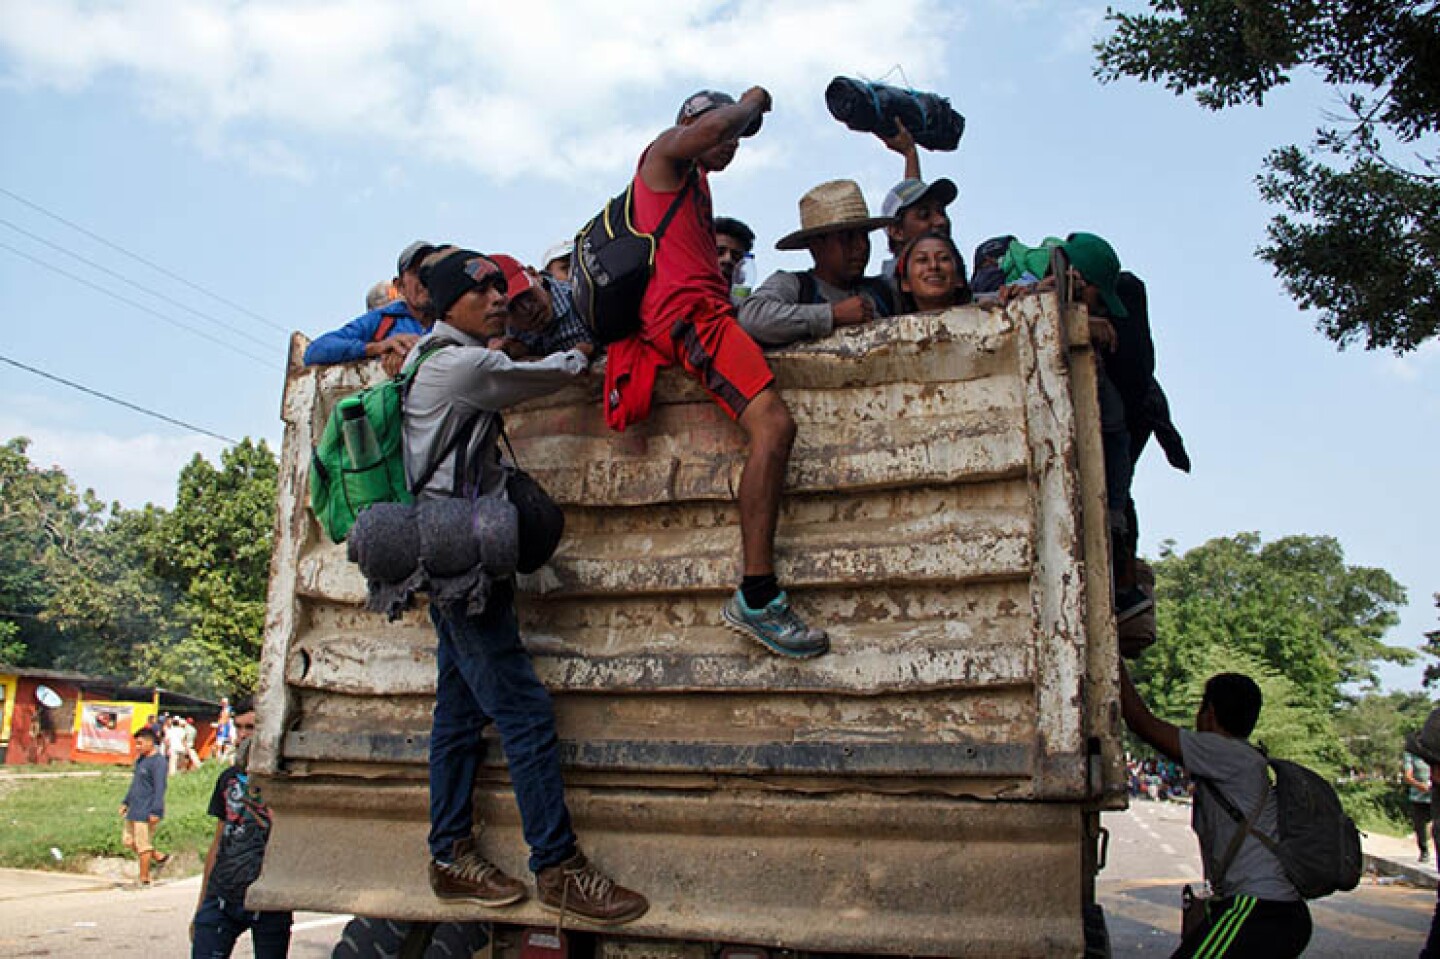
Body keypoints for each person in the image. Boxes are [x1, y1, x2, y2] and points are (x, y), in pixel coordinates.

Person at [402, 247, 647, 925]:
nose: (496, 296)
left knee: (457, 711)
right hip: (460, 557)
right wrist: (582, 354)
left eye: (498, 286)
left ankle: (450, 853)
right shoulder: (465, 365)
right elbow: (553, 373)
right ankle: (558, 864)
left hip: (448, 547)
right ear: (448, 304)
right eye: (479, 290)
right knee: (523, 709)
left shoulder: (429, 356)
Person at [603, 87, 828, 659]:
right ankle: (757, 594)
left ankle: (757, 592)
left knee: (775, 427)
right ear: (688, 124)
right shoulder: (664, 155)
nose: (727, 142)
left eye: (734, 137)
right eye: (718, 131)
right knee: (774, 427)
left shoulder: (694, 185)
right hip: (691, 319)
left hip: (706, 316)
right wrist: (752, 100)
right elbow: (706, 132)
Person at [1119, 661, 1311, 958]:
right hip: (1274, 910)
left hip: (1259, 908)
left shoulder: (1222, 751)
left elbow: (1142, 723)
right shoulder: (1242, 758)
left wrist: (1112, 655)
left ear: (1209, 714)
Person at [738, 179, 897, 348]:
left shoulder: (884, 291)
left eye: (864, 236)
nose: (861, 246)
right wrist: (832, 315)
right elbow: (752, 317)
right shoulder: (794, 285)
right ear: (816, 244)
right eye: (847, 237)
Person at [190, 696, 292, 958]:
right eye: (240, 727)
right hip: (224, 895)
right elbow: (219, 840)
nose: (244, 735)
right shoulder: (228, 779)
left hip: (269, 897)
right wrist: (202, 905)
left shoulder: (287, 780)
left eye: (252, 728)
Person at [303, 241, 437, 376]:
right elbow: (315, 351)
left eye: (429, 270)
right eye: (415, 272)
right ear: (400, 285)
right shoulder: (383, 319)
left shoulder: (453, 316)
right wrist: (378, 348)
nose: (424, 278)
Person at [875, 119, 958, 280]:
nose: (941, 221)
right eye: (925, 215)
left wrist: (910, 152)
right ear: (897, 232)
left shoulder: (952, 283)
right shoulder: (885, 294)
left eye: (941, 212)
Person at [488, 254, 594, 358]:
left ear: (534, 274)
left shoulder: (585, 301)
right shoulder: (504, 335)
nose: (527, 309)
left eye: (526, 295)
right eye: (512, 307)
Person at [120, 727, 170, 887]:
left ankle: (144, 878)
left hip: (146, 810)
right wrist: (125, 802)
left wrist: (156, 810)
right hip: (134, 808)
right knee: (128, 841)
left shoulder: (159, 762)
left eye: (140, 743)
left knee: (143, 845)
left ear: (150, 742)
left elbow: (160, 787)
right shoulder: (141, 760)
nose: (137, 747)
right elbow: (135, 784)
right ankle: (158, 856)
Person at [894, 231, 971, 313]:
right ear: (905, 283)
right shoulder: (888, 325)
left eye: (943, 258)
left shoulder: (984, 316)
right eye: (922, 259)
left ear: (959, 278)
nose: (933, 266)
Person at [714, 216, 756, 300]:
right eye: (719, 252)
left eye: (736, 256)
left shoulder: (749, 308)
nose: (728, 259)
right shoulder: (684, 295)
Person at [1405, 747, 1433, 863]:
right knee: (1420, 826)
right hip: (1418, 796)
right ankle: (1424, 851)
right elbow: (1408, 776)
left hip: (1435, 794)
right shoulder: (1411, 754)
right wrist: (1419, 785)